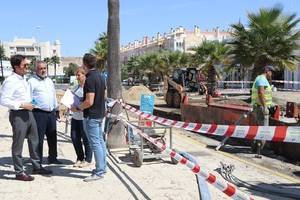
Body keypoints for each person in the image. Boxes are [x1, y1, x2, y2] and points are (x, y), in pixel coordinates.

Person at [0, 55, 52, 181]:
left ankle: (36, 166)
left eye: (27, 65)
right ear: (16, 67)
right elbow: (3, 100)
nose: (27, 67)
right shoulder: (10, 81)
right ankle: (19, 172)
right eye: (24, 65)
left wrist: (31, 103)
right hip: (18, 114)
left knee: (34, 140)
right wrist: (22, 104)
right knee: (18, 144)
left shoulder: (23, 79)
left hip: (29, 113)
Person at [72, 53, 106, 182]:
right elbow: (102, 96)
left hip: (91, 115)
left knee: (95, 143)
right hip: (99, 114)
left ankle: (99, 171)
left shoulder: (90, 78)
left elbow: (89, 101)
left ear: (85, 63)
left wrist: (78, 107)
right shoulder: (101, 76)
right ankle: (103, 167)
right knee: (100, 142)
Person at [28, 61, 61, 164]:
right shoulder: (31, 81)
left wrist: (57, 109)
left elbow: (53, 95)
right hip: (39, 113)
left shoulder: (49, 81)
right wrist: (35, 104)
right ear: (36, 69)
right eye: (40, 68)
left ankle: (53, 158)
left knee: (52, 136)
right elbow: (29, 97)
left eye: (44, 68)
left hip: (51, 113)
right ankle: (38, 161)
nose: (43, 70)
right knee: (39, 138)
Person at [70, 67, 92, 168]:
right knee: (75, 138)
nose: (77, 77)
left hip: (84, 117)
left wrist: (79, 108)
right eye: (76, 75)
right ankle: (80, 157)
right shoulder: (75, 88)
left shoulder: (88, 88)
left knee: (86, 138)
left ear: (84, 75)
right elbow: (71, 100)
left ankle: (88, 159)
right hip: (75, 117)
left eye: (79, 75)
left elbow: (89, 103)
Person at [251, 65, 275, 156]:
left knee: (259, 129)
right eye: (271, 72)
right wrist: (265, 107)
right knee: (264, 130)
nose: (271, 74)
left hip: (258, 107)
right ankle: (260, 150)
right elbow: (261, 93)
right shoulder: (262, 79)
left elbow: (264, 94)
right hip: (261, 108)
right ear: (267, 71)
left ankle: (255, 148)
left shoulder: (260, 79)